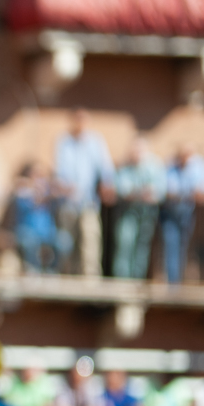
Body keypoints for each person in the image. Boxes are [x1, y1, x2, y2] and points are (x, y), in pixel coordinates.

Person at [52, 109, 114, 277]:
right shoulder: (64, 142)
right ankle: (67, 275)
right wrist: (63, 186)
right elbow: (59, 171)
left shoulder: (96, 142)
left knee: (90, 238)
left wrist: (106, 185)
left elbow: (105, 168)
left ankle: (90, 278)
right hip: (68, 202)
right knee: (66, 241)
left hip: (89, 201)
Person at [112, 137, 165, 280]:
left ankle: (137, 279)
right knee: (125, 243)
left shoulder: (154, 166)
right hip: (128, 211)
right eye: (134, 150)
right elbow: (122, 189)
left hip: (147, 212)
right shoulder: (125, 167)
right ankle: (122, 280)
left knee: (142, 247)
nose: (136, 154)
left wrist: (150, 193)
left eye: (139, 151)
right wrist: (140, 192)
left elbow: (161, 190)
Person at [160, 144, 204, 283]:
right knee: (171, 245)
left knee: (183, 247)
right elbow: (166, 191)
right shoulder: (170, 166)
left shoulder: (197, 167)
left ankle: (178, 281)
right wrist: (186, 194)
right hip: (170, 213)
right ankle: (172, 284)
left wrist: (183, 195)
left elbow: (202, 194)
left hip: (187, 213)